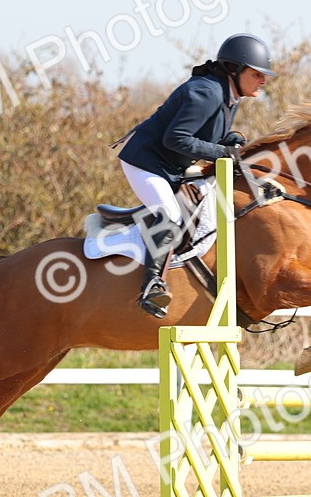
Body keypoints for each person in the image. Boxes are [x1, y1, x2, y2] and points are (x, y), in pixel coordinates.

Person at [117, 33, 275, 319]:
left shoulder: (229, 94)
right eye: (256, 74)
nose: (263, 81)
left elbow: (207, 133)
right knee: (170, 215)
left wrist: (231, 140)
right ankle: (152, 286)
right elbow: (175, 138)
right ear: (234, 70)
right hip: (145, 162)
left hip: (170, 166)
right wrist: (223, 152)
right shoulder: (207, 92)